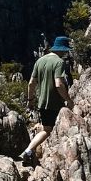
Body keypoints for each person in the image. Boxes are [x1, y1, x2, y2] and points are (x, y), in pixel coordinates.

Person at [19, 36, 73, 164]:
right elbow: (58, 84)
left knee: (46, 129)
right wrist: (68, 100)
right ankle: (58, 158)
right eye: (66, 50)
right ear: (63, 49)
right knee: (56, 129)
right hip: (55, 103)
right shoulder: (59, 62)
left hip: (42, 102)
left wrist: (30, 99)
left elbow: (31, 83)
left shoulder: (40, 61)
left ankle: (28, 151)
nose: (66, 53)